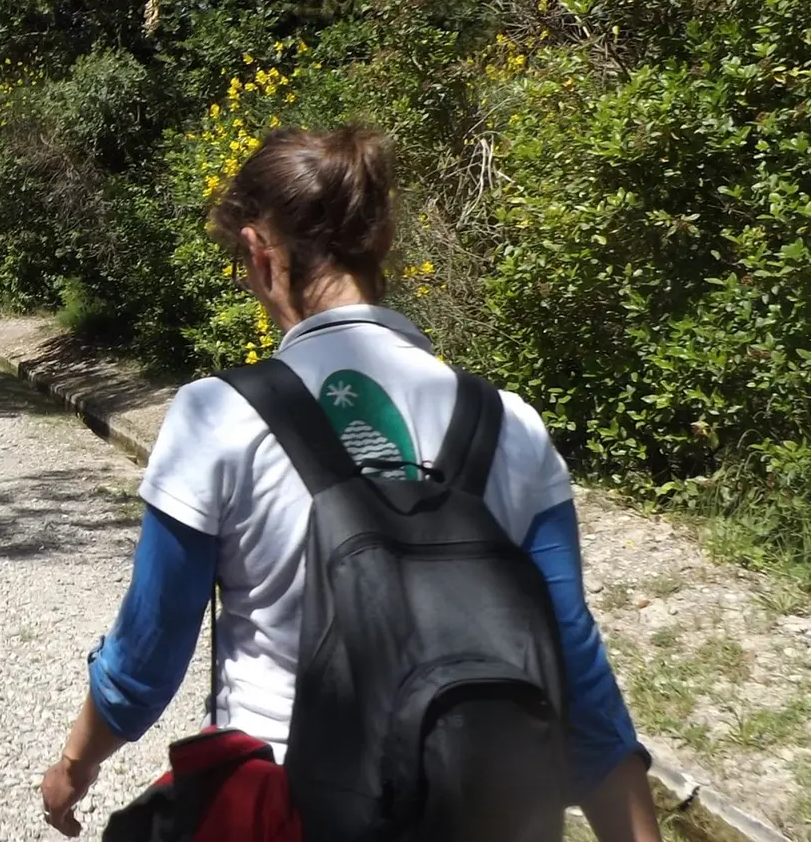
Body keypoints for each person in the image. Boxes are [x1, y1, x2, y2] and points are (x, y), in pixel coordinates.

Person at [40, 126, 660, 841]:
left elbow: (148, 658)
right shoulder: (512, 428)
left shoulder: (218, 415)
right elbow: (581, 686)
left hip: (287, 811)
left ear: (259, 255)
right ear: (386, 240)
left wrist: (75, 763)